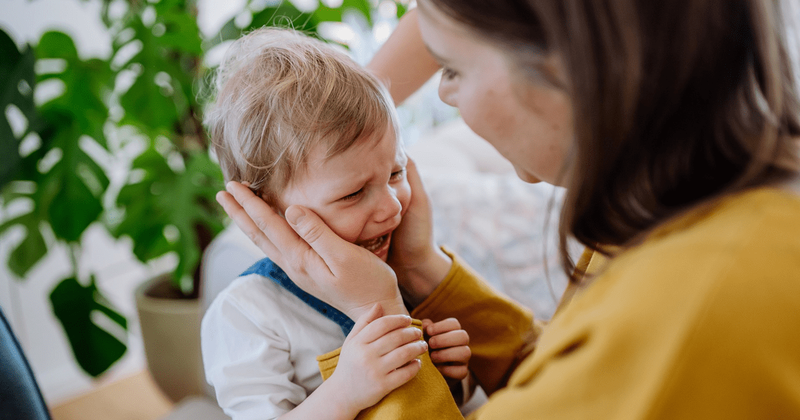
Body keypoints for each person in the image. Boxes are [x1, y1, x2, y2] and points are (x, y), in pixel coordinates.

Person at [217, 0, 800, 418]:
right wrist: (424, 279)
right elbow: (560, 378)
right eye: (350, 190)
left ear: (569, 61)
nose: (442, 92)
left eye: (453, 67)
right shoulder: (677, 217)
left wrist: (383, 317)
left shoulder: (691, 309)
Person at [200, 28, 473, 420]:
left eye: (395, 172)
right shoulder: (247, 313)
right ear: (266, 208)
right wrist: (344, 393)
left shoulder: (393, 263)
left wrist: (450, 377)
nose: (391, 206)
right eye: (352, 193)